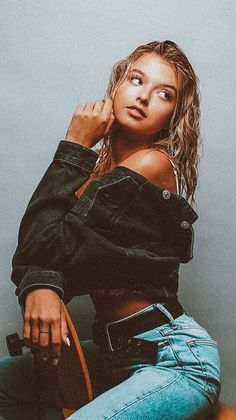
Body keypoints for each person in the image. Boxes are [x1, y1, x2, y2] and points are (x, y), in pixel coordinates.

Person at [0, 40, 221, 419]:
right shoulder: (98, 169)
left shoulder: (150, 165)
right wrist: (41, 281)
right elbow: (42, 243)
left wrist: (73, 145)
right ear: (116, 86)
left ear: (172, 116)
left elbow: (53, 246)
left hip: (175, 359)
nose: (144, 97)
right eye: (136, 80)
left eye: (163, 94)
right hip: (115, 353)